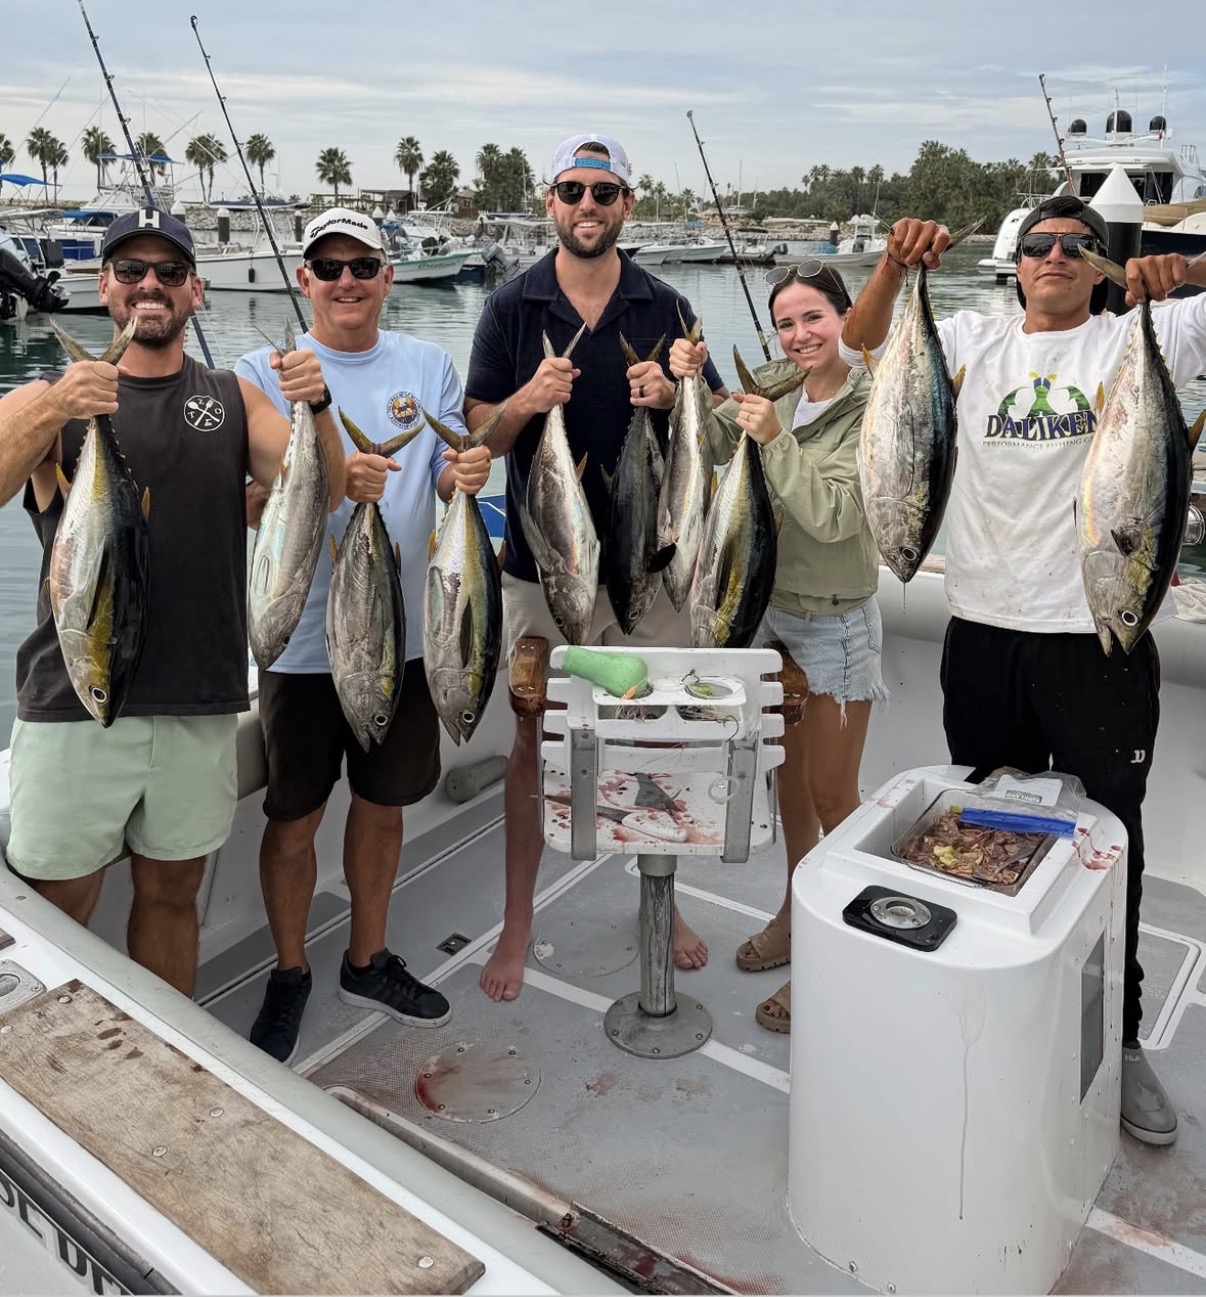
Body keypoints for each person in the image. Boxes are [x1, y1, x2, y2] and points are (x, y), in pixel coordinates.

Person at [840, 194, 1206, 1146]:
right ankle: (993, 998)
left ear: (1100, 265)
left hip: (1098, 636)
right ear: (1016, 265)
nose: (1052, 256)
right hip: (984, 634)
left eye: (1075, 246)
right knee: (989, 828)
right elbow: (856, 343)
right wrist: (893, 262)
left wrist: (1188, 270)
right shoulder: (965, 338)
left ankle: (1119, 1041)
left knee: (1109, 839)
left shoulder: (1144, 335)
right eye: (1036, 244)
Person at [0, 207, 345, 996]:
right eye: (130, 271)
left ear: (196, 290)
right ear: (106, 286)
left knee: (173, 897)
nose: (148, 285)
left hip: (198, 702)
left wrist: (315, 405)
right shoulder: (53, 399)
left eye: (166, 272)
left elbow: (314, 492)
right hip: (74, 705)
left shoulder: (230, 397)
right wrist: (58, 404)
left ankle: (175, 1059)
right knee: (56, 911)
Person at [464, 133, 728, 1002]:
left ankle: (663, 895)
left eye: (604, 192)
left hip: (647, 568)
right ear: (551, 202)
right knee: (532, 746)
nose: (588, 205)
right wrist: (528, 403)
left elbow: (716, 425)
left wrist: (678, 389)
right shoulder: (510, 306)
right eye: (573, 190)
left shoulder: (667, 303)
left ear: (627, 206)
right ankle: (517, 920)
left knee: (656, 731)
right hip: (544, 564)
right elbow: (477, 433)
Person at [237, 207, 491, 1064]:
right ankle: (289, 969)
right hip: (302, 643)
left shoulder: (428, 365)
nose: (346, 279)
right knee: (294, 819)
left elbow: (458, 473)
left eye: (362, 264)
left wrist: (468, 472)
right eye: (327, 265)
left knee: (383, 808)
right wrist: (323, 437)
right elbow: (255, 493)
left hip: (411, 637)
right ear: (303, 279)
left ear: (388, 276)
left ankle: (366, 957)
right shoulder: (260, 371)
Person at [669, 261, 884, 1034]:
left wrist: (772, 441)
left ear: (846, 317)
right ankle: (797, 916)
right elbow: (711, 438)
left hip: (834, 620)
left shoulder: (873, 401)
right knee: (789, 788)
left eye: (814, 319)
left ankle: (842, 951)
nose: (800, 336)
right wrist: (686, 384)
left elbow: (837, 514)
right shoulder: (777, 382)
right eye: (787, 323)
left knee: (834, 797)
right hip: (768, 612)